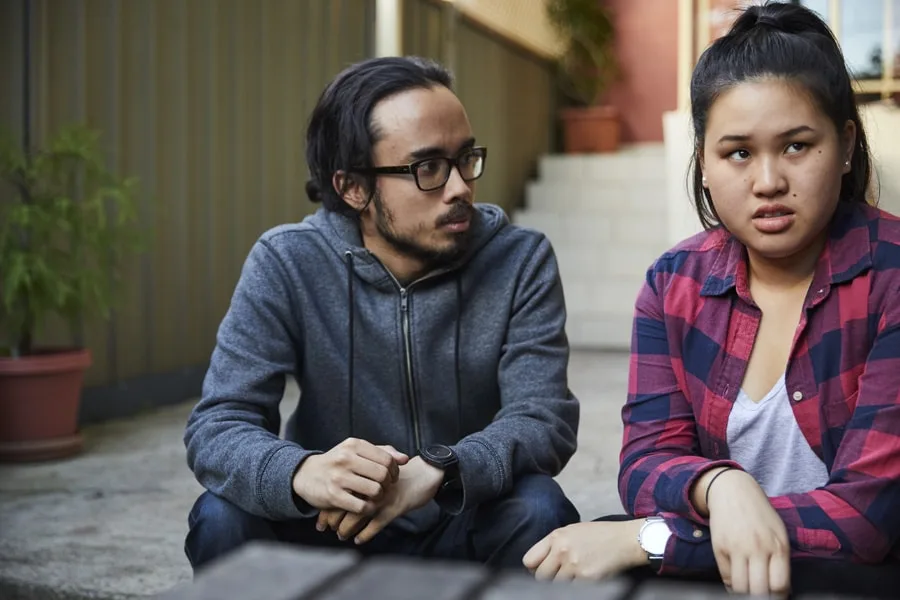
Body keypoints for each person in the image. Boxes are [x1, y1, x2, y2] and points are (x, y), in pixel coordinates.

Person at [522, 2, 900, 597]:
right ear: (704, 164)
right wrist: (723, 487)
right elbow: (646, 460)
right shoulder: (675, 284)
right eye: (739, 153)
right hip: (724, 566)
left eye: (797, 146)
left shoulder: (892, 276)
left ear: (847, 144)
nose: (769, 180)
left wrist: (653, 540)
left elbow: (867, 520)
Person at [182, 55, 581, 574]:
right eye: (428, 169)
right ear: (353, 187)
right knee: (221, 516)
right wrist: (302, 471)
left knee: (539, 510)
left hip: (458, 516)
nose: (460, 187)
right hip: (331, 524)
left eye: (466, 159)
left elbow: (543, 418)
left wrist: (441, 469)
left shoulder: (518, 259)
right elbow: (218, 423)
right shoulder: (288, 261)